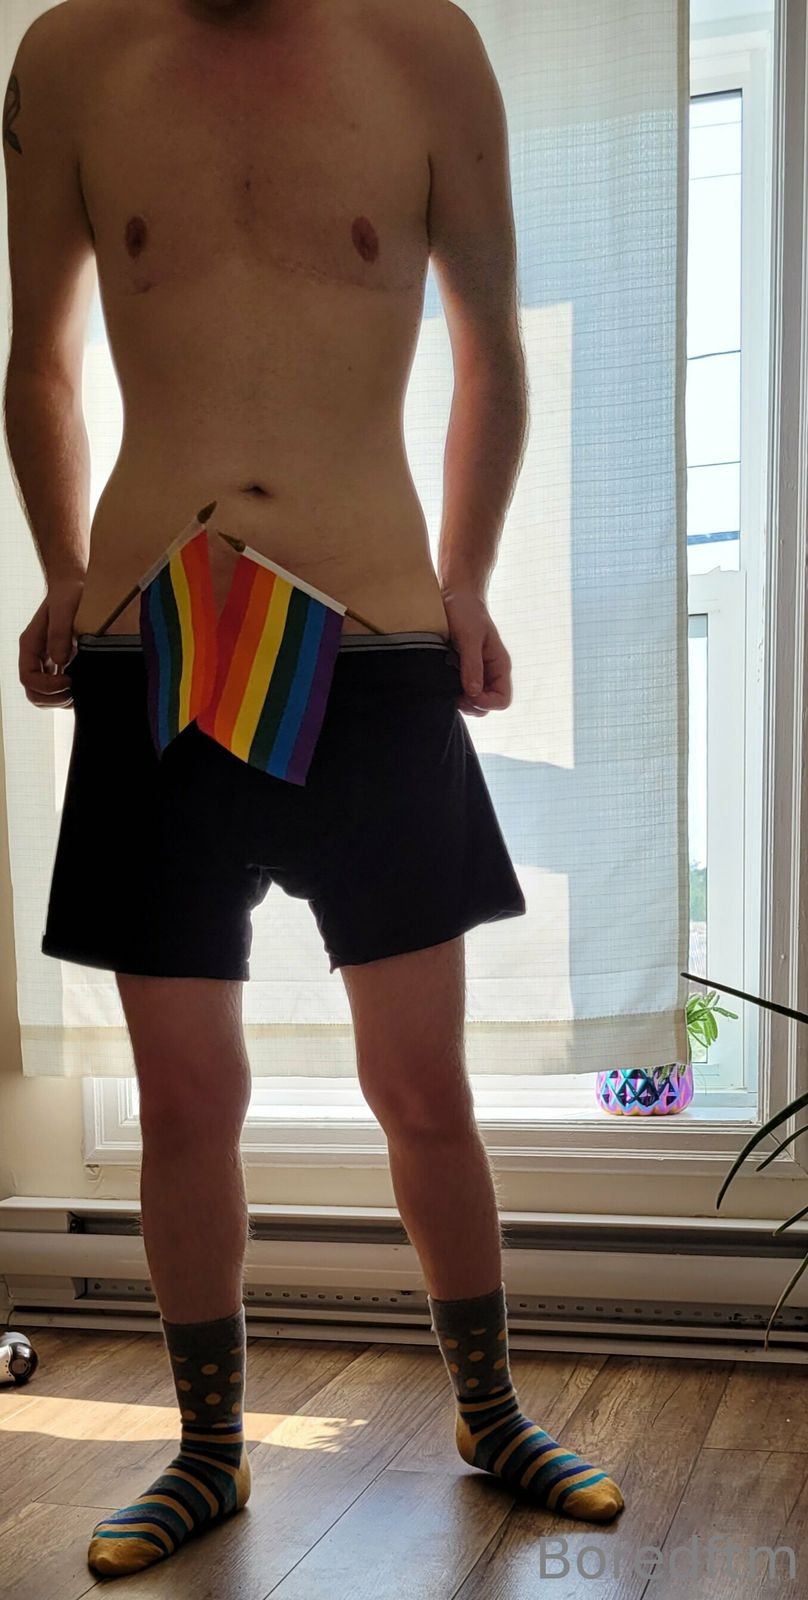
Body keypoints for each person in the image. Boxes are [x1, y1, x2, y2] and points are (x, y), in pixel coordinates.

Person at [3, 0, 623, 1577]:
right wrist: (63, 567)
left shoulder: (425, 49)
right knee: (183, 1099)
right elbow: (40, 363)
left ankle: (490, 1413)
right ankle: (211, 1453)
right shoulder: (68, 57)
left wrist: (469, 581)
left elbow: (492, 350)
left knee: (422, 1086)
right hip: (154, 638)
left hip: (376, 642)